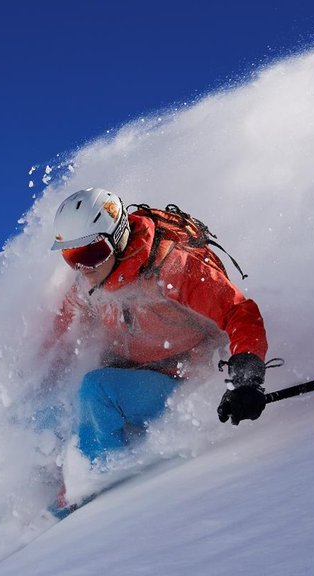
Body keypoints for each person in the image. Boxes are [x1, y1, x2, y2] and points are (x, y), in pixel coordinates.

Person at [45, 187, 269, 499]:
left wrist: (247, 380)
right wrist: (27, 385)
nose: (83, 268)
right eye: (72, 257)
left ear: (117, 238)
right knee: (47, 409)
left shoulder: (172, 268)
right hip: (130, 370)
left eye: (91, 254)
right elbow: (60, 337)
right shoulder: (88, 284)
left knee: (95, 391)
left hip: (180, 378)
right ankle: (40, 483)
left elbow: (238, 311)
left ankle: (90, 493)